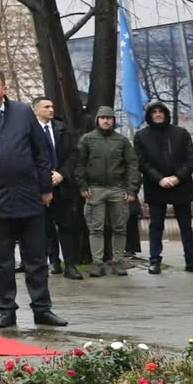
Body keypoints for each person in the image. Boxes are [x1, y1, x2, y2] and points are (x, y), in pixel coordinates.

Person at [0, 71, 68, 332]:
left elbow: (40, 152)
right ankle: (7, 310)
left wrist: (45, 188)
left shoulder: (22, 112)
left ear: (4, 88)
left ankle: (42, 309)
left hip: (29, 196)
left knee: (36, 258)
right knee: (2, 260)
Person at [135, 101, 193, 274]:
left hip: (181, 185)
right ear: (150, 115)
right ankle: (154, 261)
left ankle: (191, 261)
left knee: (186, 226)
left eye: (161, 111)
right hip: (156, 186)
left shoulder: (180, 133)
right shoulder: (141, 136)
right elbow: (141, 162)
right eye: (154, 112)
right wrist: (159, 179)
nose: (158, 114)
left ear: (166, 114)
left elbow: (191, 159)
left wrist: (177, 177)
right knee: (156, 226)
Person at [75, 108, 138, 276]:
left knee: (120, 227)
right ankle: (97, 263)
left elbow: (132, 165)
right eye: (102, 118)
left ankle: (118, 261)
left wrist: (131, 188)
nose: (106, 121)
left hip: (118, 188)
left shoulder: (122, 141)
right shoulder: (87, 139)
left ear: (113, 120)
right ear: (97, 120)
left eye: (109, 118)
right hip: (94, 189)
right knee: (95, 228)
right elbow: (79, 163)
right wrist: (82, 185)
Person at [32, 97, 84, 281]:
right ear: (36, 110)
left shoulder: (62, 129)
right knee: (44, 228)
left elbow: (73, 155)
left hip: (62, 186)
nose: (51, 109)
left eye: (52, 106)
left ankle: (70, 264)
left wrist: (62, 174)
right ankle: (52, 261)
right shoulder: (29, 130)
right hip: (39, 188)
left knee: (67, 226)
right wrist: (44, 177)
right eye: (46, 107)